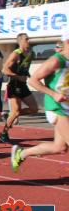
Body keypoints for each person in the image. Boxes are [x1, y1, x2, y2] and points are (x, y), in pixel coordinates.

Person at [12, 30, 69, 171]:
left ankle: (22, 153)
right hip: (56, 106)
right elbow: (33, 80)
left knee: (59, 147)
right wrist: (54, 94)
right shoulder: (56, 60)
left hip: (67, 106)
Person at [0, 33, 39, 143]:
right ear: (20, 41)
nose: (28, 41)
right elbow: (4, 70)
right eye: (26, 39)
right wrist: (18, 76)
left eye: (28, 38)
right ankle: (3, 133)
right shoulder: (16, 54)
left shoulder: (31, 53)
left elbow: (24, 68)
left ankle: (10, 115)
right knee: (15, 113)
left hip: (23, 85)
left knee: (34, 109)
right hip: (14, 85)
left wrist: (28, 75)